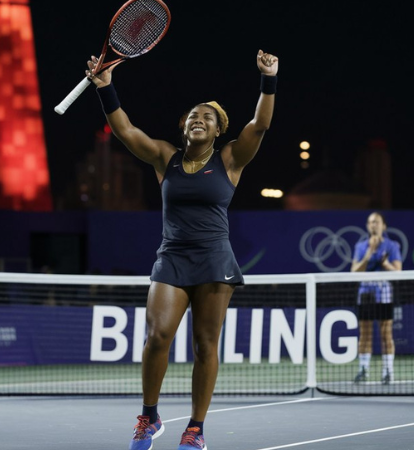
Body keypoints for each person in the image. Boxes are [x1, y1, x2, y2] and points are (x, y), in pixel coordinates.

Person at [85, 48, 278, 450]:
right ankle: (149, 417)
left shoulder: (230, 159)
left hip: (214, 259)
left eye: (207, 117)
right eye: (193, 115)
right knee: (157, 336)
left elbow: (259, 124)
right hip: (171, 257)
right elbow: (126, 132)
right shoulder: (164, 158)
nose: (198, 119)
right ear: (183, 126)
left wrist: (268, 79)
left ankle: (195, 429)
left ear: (218, 129)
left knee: (205, 345)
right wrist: (106, 89)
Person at [350, 212, 402, 385]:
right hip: (365, 294)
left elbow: (398, 272)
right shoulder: (361, 246)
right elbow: (354, 272)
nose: (374, 225)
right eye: (371, 222)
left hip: (384, 294)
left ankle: (388, 371)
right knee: (364, 335)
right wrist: (369, 253)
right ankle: (363, 370)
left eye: (377, 222)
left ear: (383, 226)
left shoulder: (392, 245)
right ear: (367, 226)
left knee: (386, 334)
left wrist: (385, 264)